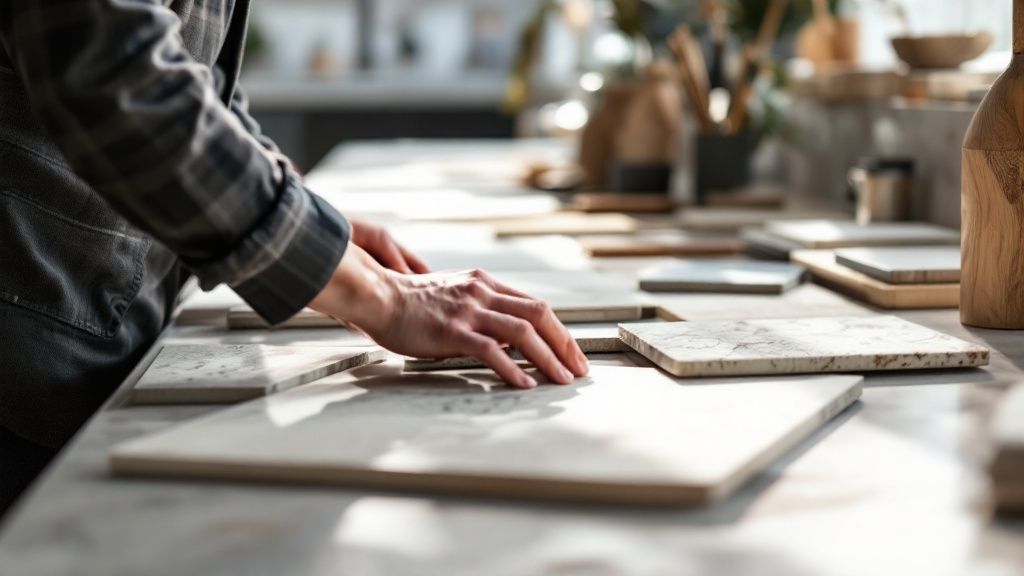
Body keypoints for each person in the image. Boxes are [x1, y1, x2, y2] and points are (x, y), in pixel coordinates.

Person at [0, 0, 588, 516]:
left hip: (86, 351)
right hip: (24, 373)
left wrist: (313, 228)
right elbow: (116, 79)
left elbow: (204, 93)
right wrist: (374, 292)